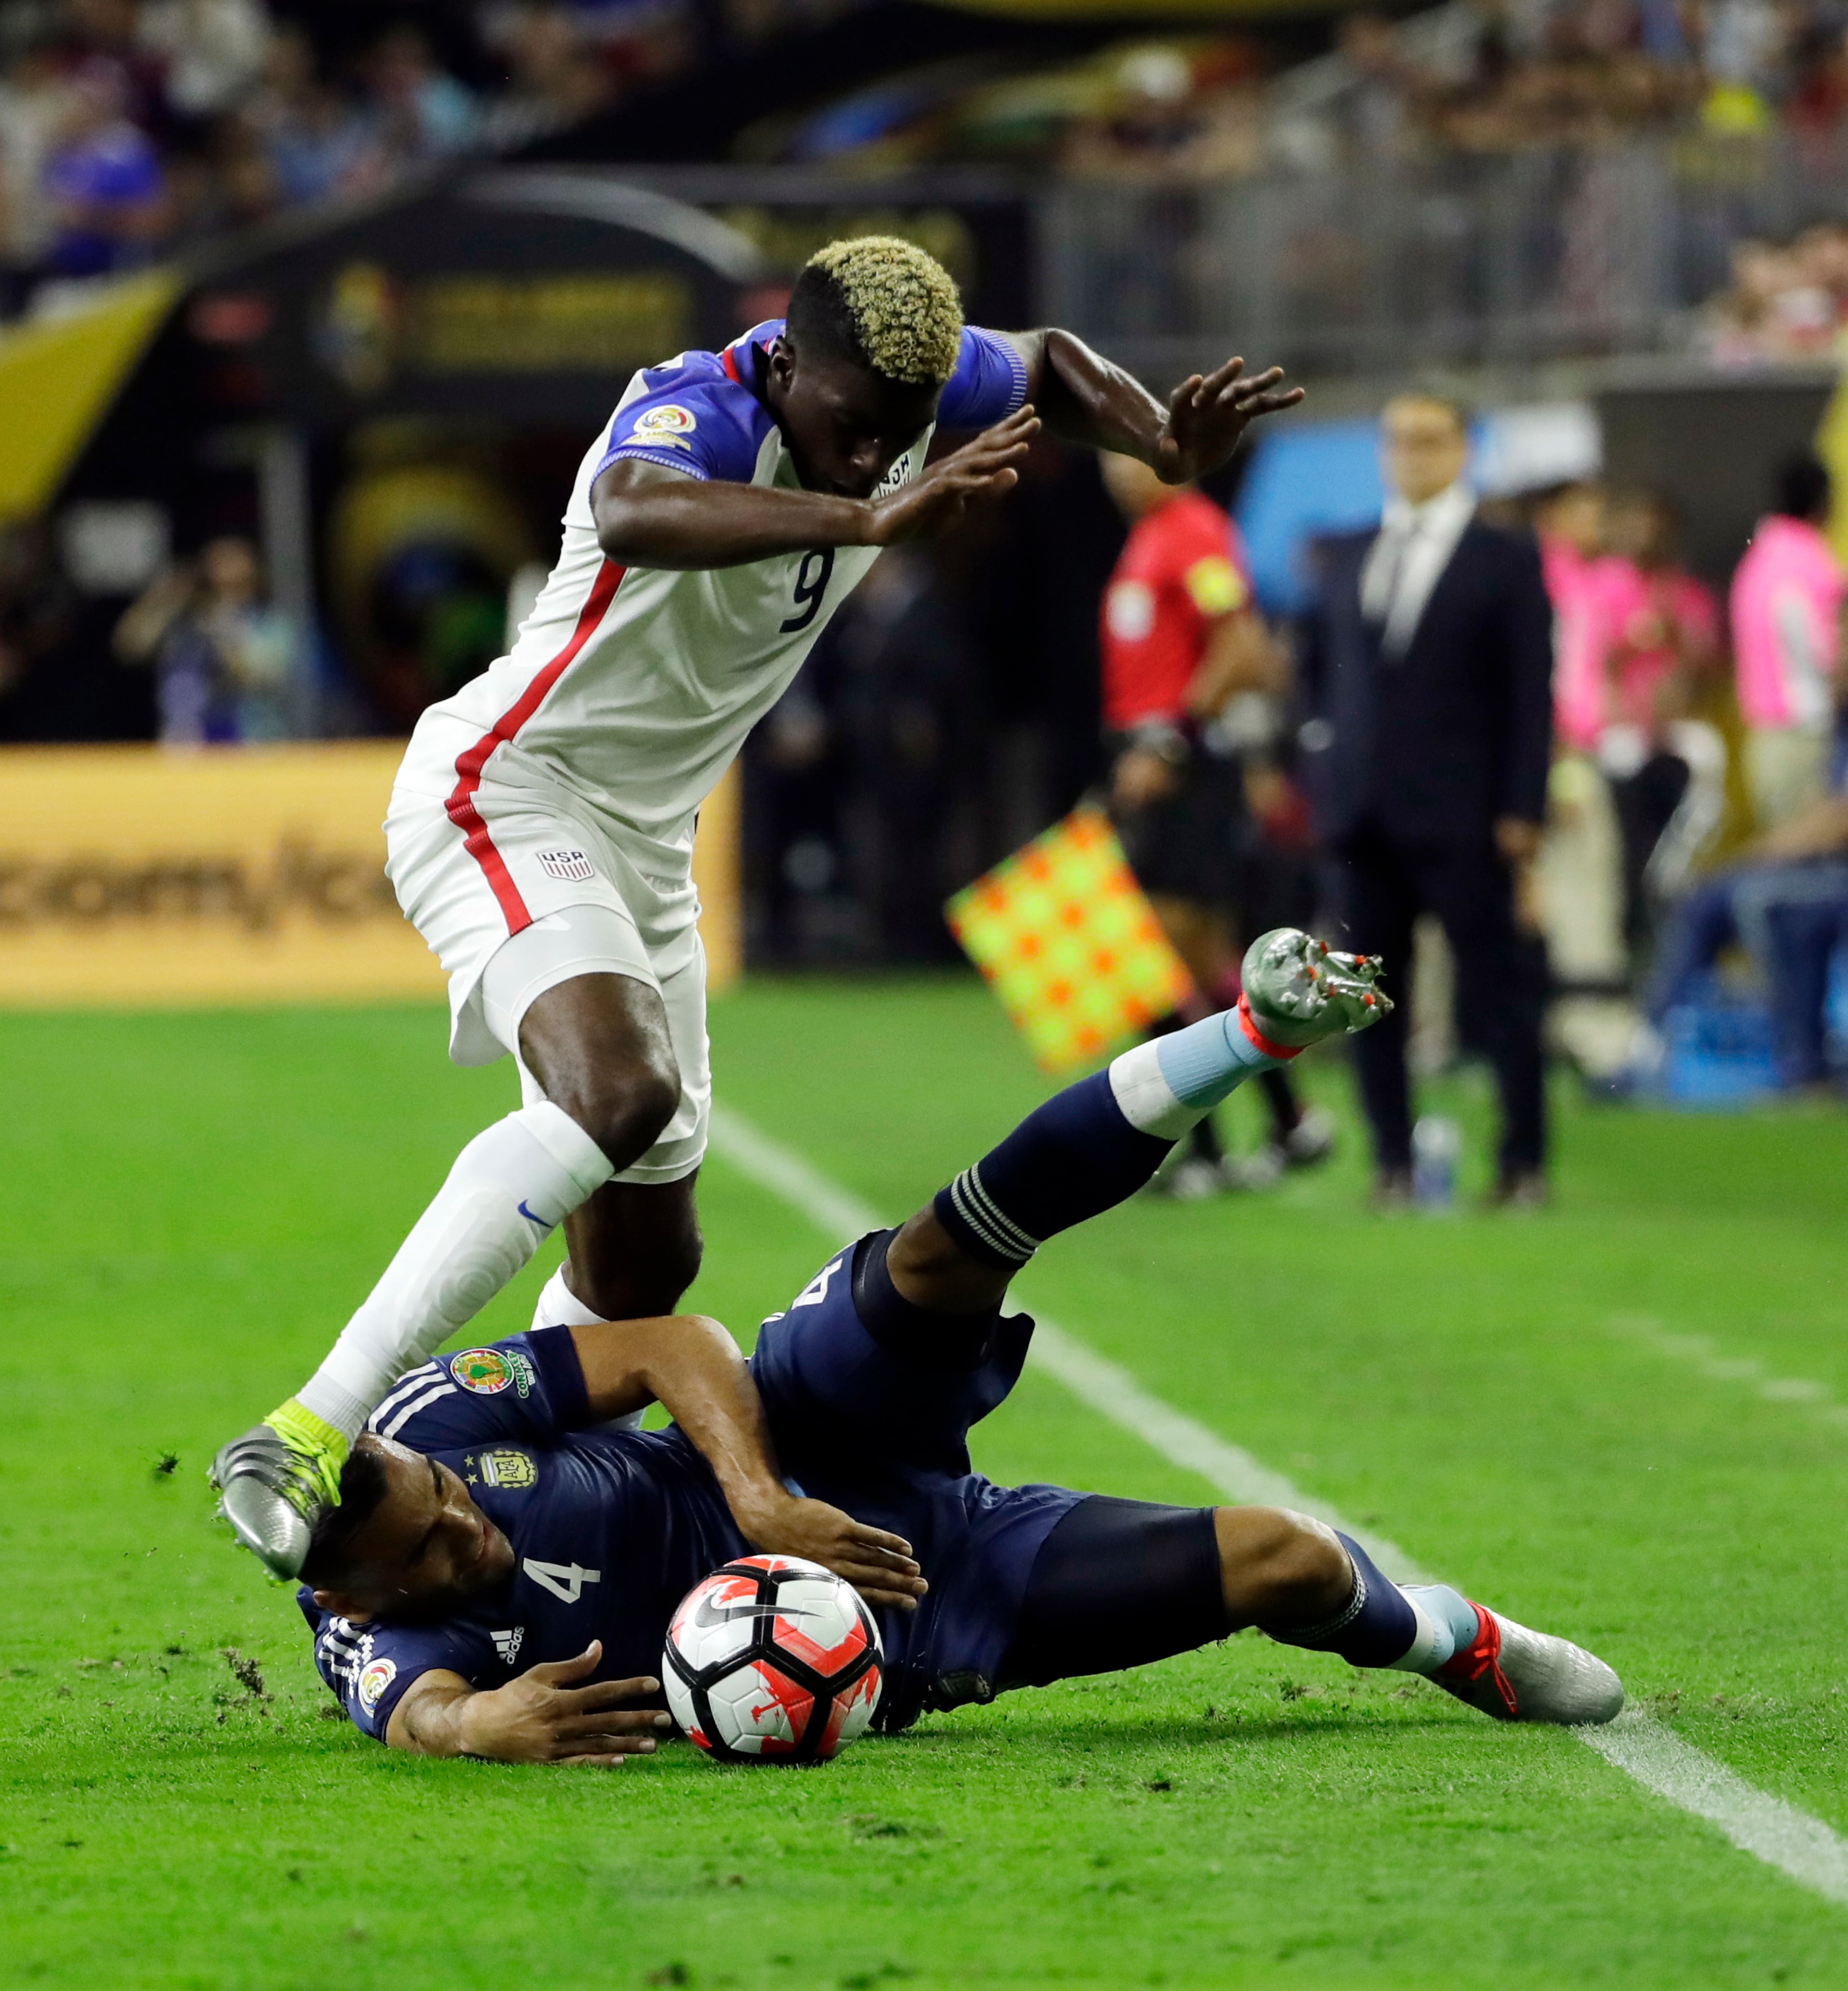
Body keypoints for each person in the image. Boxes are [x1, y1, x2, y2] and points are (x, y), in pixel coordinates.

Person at [212, 234, 1307, 1579]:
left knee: (640, 1277)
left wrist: (1160, 439)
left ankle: (541, 1497)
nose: (867, 458)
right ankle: (310, 1429)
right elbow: (631, 507)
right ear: (789, 364)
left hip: (646, 843)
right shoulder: (700, 401)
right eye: (849, 433)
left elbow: (1049, 364)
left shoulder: (913, 381)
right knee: (614, 1098)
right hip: (513, 787)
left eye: (893, 442)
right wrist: (868, 519)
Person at [293, 930, 1623, 1760]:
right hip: (900, 1601)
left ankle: (1250, 1035)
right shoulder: (369, 1637)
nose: (464, 1530)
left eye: (447, 1505)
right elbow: (423, 1711)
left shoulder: (427, 1425)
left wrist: (762, 1498)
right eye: (429, 1554)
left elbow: (674, 1346)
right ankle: (1453, 1636)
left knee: (944, 1248)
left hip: (793, 1437)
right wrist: (480, 1727)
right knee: (1290, 1558)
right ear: (357, 1596)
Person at [1296, 393, 1553, 1207]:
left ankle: (1522, 1160)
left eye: (1428, 440)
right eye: (1398, 440)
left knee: (1495, 991)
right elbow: (1319, 676)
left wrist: (1522, 806)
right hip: (1363, 811)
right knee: (1366, 999)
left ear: (1463, 449)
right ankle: (1391, 1163)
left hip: (1466, 813)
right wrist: (1319, 776)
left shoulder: (1504, 557)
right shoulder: (1348, 551)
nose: (1411, 455)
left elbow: (1530, 694)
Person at [1098, 450, 1330, 1196]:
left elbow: (1238, 643)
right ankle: (1277, 1124)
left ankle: (1209, 1144)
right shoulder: (1153, 535)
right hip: (1156, 758)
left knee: (1166, 951)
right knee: (1186, 957)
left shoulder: (1194, 530)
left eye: (1136, 455)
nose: (1120, 471)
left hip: (1186, 762)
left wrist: (1170, 741)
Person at [1590, 489, 1724, 965]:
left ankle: (1681, 934)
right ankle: (1635, 950)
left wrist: (1678, 638)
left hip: (1679, 738)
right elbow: (1596, 660)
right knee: (1630, 852)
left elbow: (1706, 663)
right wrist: (1637, 640)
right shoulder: (1605, 587)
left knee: (1689, 833)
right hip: (1625, 737)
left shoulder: (1686, 592)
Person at [1638, 792, 1848, 1092]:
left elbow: (1838, 821)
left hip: (1832, 873)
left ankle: (1807, 1066)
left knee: (1784, 913)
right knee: (1704, 904)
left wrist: (1766, 851)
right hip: (1819, 870)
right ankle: (1654, 1043)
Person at [1731, 454, 1847, 833]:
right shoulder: (1809, 565)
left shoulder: (1756, 560)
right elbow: (1827, 656)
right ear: (1823, 504)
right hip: (1804, 736)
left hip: (1766, 738)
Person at [113, 536, 296, 743]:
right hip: (187, 743)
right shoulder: (187, 621)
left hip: (250, 744)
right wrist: (169, 596)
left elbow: (259, 675)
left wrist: (223, 634)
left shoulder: (271, 625)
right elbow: (131, 646)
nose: (225, 571)